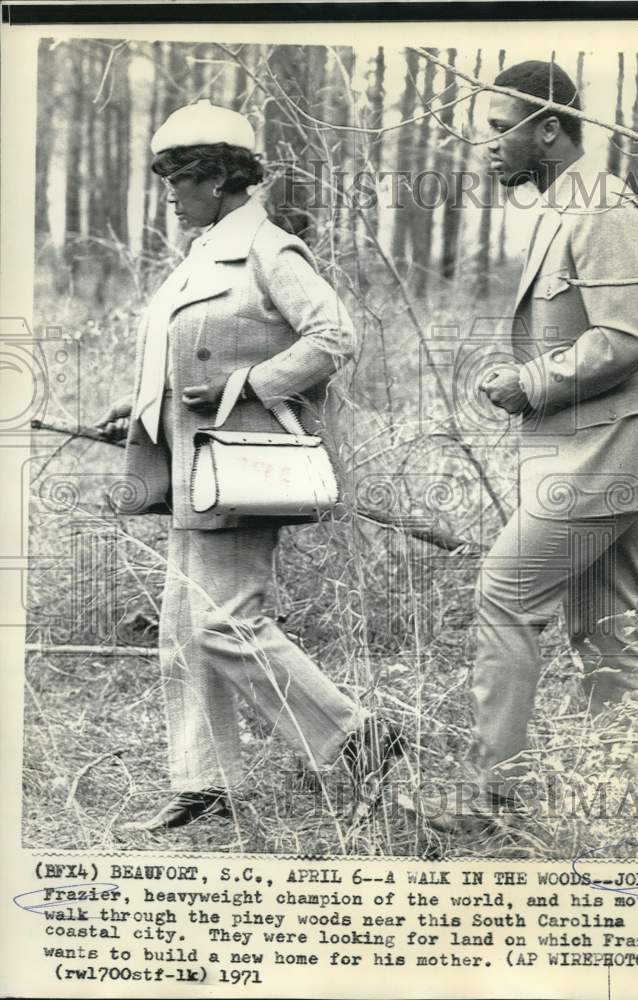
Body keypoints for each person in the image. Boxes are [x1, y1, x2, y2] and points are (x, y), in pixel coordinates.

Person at [96, 100, 402, 831]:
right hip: (189, 466)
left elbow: (334, 337)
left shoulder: (269, 249)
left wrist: (249, 385)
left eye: (180, 178)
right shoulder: (200, 255)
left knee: (226, 624)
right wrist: (137, 407)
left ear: (221, 178)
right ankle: (205, 782)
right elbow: (184, 354)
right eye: (167, 177)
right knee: (182, 627)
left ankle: (354, 737)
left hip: (242, 468)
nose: (169, 193)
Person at [462, 61, 638, 820]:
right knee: (606, 629)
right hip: (601, 448)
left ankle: (492, 793)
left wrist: (532, 382)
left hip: (610, 455)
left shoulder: (601, 209)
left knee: (503, 592)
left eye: (501, 130)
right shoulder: (566, 204)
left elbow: (629, 339)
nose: (488, 146)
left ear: (549, 130)